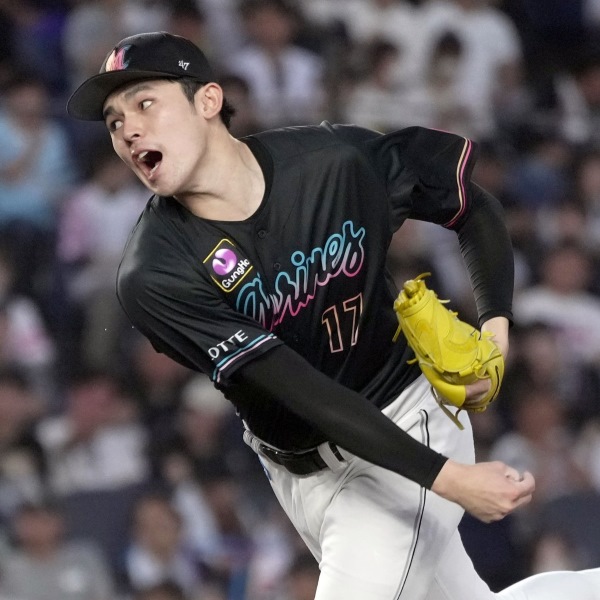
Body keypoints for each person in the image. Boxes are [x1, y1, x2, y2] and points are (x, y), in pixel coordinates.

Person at [66, 31, 600, 600]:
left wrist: (495, 328)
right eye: (114, 122)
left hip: (410, 421)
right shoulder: (153, 272)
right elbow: (298, 388)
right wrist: (453, 481)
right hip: (301, 474)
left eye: (145, 103)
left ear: (208, 100)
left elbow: (469, 204)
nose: (128, 130)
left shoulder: (333, 162)